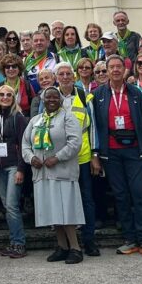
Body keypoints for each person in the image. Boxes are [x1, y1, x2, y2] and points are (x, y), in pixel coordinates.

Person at [90, 55, 142, 257]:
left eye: (119, 66)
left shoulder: (135, 93)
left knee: (140, 194)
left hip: (136, 150)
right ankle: (129, 239)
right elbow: (95, 126)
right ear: (107, 71)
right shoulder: (98, 94)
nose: (116, 70)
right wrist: (96, 154)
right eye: (112, 67)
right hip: (111, 152)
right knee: (120, 196)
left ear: (125, 69)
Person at [22, 87, 84, 263]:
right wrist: (31, 158)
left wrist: (57, 158)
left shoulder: (68, 117)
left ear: (61, 99)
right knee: (52, 211)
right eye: (47, 97)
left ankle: (75, 248)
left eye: (55, 97)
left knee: (67, 211)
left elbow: (75, 143)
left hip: (62, 172)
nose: (51, 99)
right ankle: (62, 246)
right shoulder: (36, 120)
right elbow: (25, 143)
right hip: (42, 173)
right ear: (42, 99)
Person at [53, 62, 99, 255]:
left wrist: (95, 154)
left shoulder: (84, 96)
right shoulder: (50, 96)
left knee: (87, 200)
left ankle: (89, 241)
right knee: (60, 201)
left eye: (68, 74)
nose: (65, 77)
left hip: (82, 157)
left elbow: (93, 126)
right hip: (59, 160)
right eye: (61, 74)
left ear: (74, 76)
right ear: (56, 78)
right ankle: (64, 245)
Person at [0, 84, 28, 258]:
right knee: (7, 206)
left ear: (13, 98)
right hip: (0, 167)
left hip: (13, 166)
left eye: (8, 95)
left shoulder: (18, 117)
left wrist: (21, 169)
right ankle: (13, 241)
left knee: (11, 205)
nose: (5, 97)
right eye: (1, 94)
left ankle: (19, 243)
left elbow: (24, 144)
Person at [23, 30, 57, 95]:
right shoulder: (25, 61)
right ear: (32, 43)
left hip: (53, 98)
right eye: (36, 41)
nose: (39, 43)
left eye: (41, 40)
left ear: (47, 42)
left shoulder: (56, 58)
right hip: (33, 101)